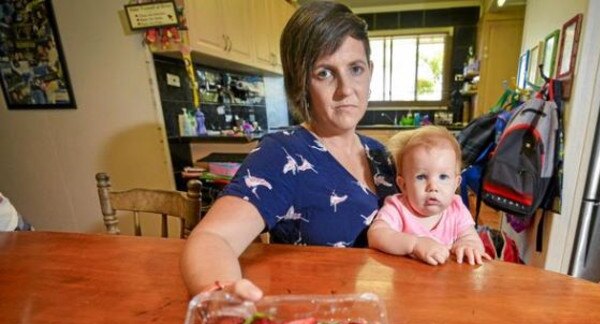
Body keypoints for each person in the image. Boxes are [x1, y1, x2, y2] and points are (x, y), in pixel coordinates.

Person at [180, 1, 397, 298]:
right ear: (301, 83)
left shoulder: (382, 155)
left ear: (370, 72)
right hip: (320, 321)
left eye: (356, 69)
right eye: (324, 73)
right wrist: (222, 299)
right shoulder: (285, 153)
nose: (346, 89)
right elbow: (212, 238)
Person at [368, 126, 491, 266]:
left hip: (446, 283)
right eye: (421, 177)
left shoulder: (456, 209)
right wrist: (414, 244)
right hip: (406, 282)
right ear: (403, 185)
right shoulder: (398, 207)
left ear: (456, 183)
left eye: (443, 177)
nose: (433, 187)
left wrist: (468, 245)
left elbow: (471, 237)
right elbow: (376, 235)